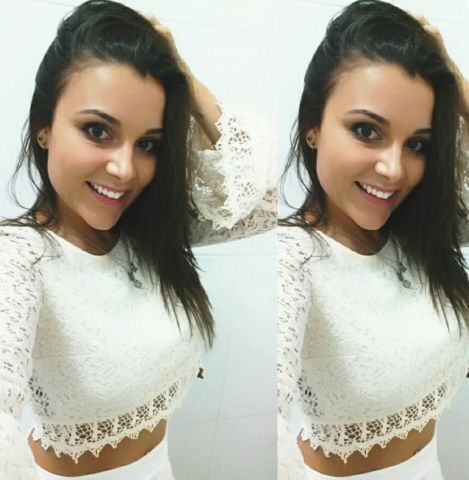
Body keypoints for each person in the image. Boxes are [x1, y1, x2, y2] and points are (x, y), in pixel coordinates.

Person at [0, 1, 275, 478]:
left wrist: (185, 80)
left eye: (148, 144)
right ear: (44, 128)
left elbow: (265, 203)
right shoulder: (19, 259)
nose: (125, 170)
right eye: (97, 130)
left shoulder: (147, 232)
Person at [277, 1, 469, 479]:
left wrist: (451, 77)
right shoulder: (292, 259)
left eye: (417, 144)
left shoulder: (420, 233)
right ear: (313, 127)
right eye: (366, 131)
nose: (394, 170)